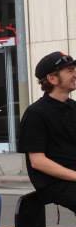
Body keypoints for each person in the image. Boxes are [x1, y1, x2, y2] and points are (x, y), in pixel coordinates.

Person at [18, 51, 76, 214]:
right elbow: (38, 162)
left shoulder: (73, 107)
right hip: (55, 183)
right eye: (70, 71)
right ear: (52, 79)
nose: (75, 74)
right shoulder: (35, 113)